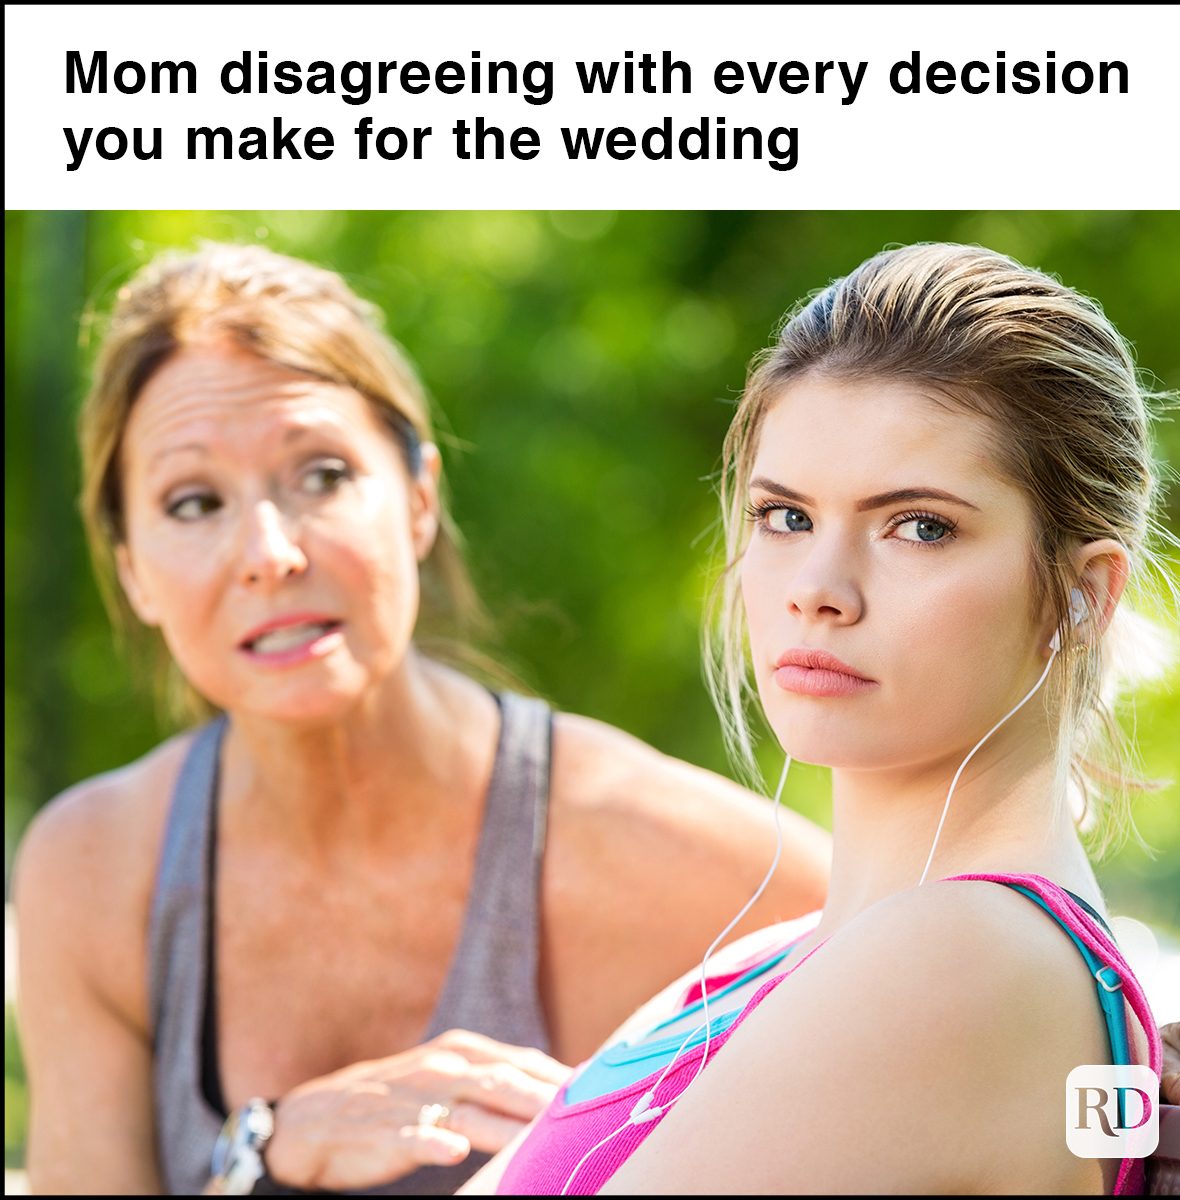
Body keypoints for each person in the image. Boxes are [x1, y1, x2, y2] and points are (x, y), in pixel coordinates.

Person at [10, 242, 836, 1196]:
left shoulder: (673, 856)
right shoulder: (95, 871)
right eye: (194, 502)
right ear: (132, 573)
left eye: (320, 476)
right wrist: (263, 1154)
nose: (269, 552)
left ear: (416, 500)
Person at [458, 242, 1180, 1195]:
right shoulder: (772, 957)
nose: (819, 590)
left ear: (1083, 595)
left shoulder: (962, 957)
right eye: (785, 516)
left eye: (919, 525)